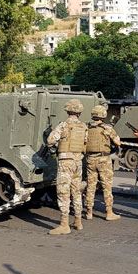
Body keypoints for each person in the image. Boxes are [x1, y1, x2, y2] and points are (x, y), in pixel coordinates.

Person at [46, 99, 88, 235]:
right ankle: (78, 221)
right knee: (76, 191)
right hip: (78, 162)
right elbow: (85, 144)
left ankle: (64, 224)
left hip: (66, 162)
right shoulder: (83, 126)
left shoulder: (63, 125)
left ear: (68, 110)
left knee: (63, 192)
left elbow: (50, 140)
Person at [84, 104, 121, 221]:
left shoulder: (87, 128)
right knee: (107, 186)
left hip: (90, 159)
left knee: (90, 185)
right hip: (104, 159)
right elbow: (118, 142)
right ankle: (109, 212)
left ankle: (89, 212)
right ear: (103, 115)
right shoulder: (107, 128)